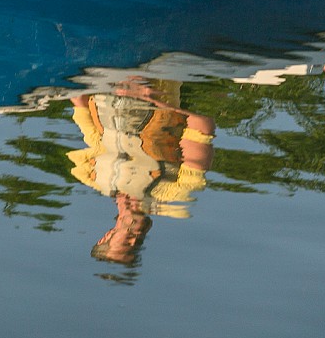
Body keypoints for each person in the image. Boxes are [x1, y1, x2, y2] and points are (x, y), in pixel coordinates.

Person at [67, 77, 217, 268]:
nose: (134, 241)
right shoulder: (177, 194)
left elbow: (79, 99)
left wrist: (104, 81)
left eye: (126, 246)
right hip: (158, 74)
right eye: (137, 246)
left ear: (107, 236)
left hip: (108, 74)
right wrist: (155, 100)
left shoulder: (87, 173)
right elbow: (202, 124)